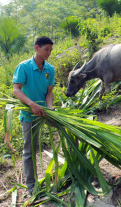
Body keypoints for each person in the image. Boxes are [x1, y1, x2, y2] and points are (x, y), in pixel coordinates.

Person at [12, 36, 55, 195]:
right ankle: (31, 185)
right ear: (36, 48)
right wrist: (31, 104)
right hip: (29, 115)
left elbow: (49, 92)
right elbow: (16, 89)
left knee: (40, 145)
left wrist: (50, 108)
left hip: (44, 114)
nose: (49, 53)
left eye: (50, 50)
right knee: (29, 150)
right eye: (46, 50)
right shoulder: (23, 67)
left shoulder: (50, 69)